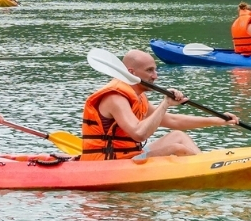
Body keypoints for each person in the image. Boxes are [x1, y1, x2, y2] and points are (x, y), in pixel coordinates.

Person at [81, 50, 238, 161]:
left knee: (178, 136)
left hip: (130, 155)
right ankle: (205, 169)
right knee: (176, 148)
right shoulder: (115, 98)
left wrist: (217, 120)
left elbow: (173, 121)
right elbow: (139, 134)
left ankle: (204, 165)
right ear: (131, 72)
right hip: (109, 162)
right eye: (150, 71)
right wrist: (165, 104)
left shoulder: (138, 97)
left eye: (155, 70)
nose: (155, 76)